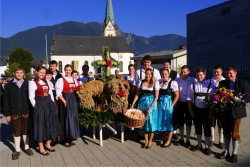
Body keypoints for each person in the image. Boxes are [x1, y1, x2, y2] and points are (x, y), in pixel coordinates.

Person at [218, 66, 249, 163]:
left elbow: (247, 97)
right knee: (226, 132)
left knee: (235, 133)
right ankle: (226, 151)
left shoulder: (242, 83)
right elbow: (219, 96)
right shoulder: (222, 83)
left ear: (236, 73)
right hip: (225, 112)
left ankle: (234, 153)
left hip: (236, 112)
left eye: (230, 73)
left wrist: (238, 99)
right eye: (227, 73)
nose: (229, 75)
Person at [29, 65, 60, 156]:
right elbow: (31, 97)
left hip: (49, 104)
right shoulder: (32, 82)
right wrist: (37, 108)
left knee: (50, 123)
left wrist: (53, 104)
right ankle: (41, 147)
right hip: (40, 105)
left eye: (44, 73)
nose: (42, 74)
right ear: (37, 72)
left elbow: (50, 93)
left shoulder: (47, 81)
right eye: (41, 72)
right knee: (41, 126)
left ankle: (48, 144)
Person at [3, 66, 34, 160]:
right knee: (16, 131)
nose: (19, 74)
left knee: (25, 130)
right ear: (14, 73)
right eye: (17, 72)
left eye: (21, 72)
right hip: (14, 112)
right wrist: (7, 114)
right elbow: (5, 100)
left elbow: (31, 98)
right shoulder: (9, 85)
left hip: (26, 111)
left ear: (23, 73)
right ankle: (17, 150)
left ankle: (27, 147)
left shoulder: (28, 84)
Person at [132, 55, 161, 141]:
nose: (148, 75)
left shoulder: (155, 74)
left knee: (151, 121)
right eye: (145, 62)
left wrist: (151, 107)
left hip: (151, 103)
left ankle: (150, 141)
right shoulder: (139, 75)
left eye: (148, 62)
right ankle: (145, 139)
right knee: (143, 121)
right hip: (142, 102)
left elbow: (157, 94)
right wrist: (133, 103)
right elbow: (136, 91)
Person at [187, 67, 213, 155]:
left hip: (207, 110)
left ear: (205, 75)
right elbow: (189, 98)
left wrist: (211, 112)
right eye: (197, 75)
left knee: (207, 129)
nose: (199, 77)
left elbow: (214, 100)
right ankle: (199, 144)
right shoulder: (192, 85)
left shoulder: (211, 85)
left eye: (201, 75)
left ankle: (207, 146)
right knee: (197, 128)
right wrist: (190, 110)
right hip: (196, 110)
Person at [55, 64, 80, 147]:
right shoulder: (61, 80)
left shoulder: (74, 79)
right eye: (67, 70)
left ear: (71, 70)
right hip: (65, 99)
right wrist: (64, 101)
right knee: (66, 119)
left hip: (73, 99)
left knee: (72, 118)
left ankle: (71, 137)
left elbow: (77, 89)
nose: (68, 71)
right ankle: (65, 139)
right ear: (64, 70)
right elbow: (58, 93)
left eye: (69, 70)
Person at [158, 69, 179, 147]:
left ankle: (169, 140)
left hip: (168, 105)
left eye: (166, 74)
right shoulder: (159, 82)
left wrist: (172, 105)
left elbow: (177, 95)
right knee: (162, 121)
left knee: (169, 123)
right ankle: (163, 138)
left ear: (169, 74)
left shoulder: (173, 83)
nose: (164, 75)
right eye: (163, 74)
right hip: (161, 104)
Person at [175, 65, 195, 148]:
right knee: (180, 121)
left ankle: (188, 140)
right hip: (180, 102)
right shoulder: (177, 80)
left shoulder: (193, 80)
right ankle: (182, 138)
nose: (183, 74)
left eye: (185, 72)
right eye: (182, 72)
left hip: (189, 103)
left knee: (189, 122)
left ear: (188, 72)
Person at [162, 59, 180, 139]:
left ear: (169, 65)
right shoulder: (161, 75)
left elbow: (177, 87)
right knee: (164, 118)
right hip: (162, 102)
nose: (166, 66)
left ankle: (173, 133)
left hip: (171, 99)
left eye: (167, 65)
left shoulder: (175, 74)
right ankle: (165, 134)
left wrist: (172, 104)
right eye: (165, 65)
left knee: (171, 118)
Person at [210, 65, 225, 149]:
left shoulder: (224, 81)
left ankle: (221, 141)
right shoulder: (209, 81)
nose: (216, 73)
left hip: (221, 106)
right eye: (214, 72)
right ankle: (212, 139)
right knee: (212, 122)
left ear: (221, 72)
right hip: (212, 106)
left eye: (217, 72)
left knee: (221, 123)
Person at [49, 60, 62, 146]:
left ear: (56, 66)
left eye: (53, 66)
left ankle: (58, 137)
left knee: (58, 118)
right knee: (51, 119)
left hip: (58, 100)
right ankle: (51, 138)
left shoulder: (60, 76)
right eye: (51, 66)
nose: (52, 67)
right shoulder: (47, 74)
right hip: (50, 99)